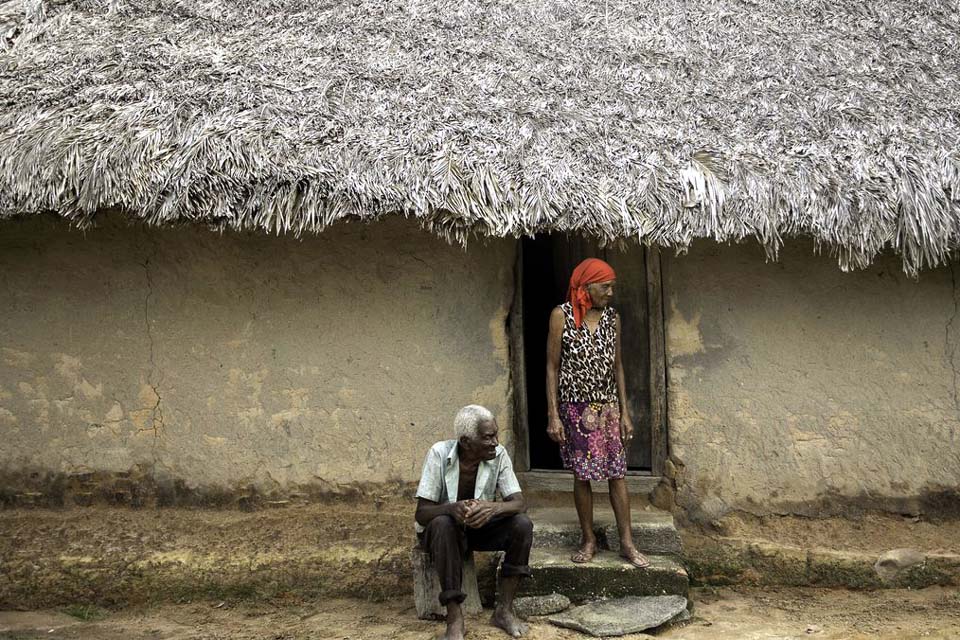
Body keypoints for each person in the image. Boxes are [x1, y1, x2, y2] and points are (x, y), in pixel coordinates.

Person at [545, 257, 650, 568]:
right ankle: (588, 538)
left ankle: (627, 543)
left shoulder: (612, 318)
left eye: (613, 287)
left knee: (617, 474)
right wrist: (553, 413)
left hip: (608, 408)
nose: (610, 292)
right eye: (606, 286)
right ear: (587, 286)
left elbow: (618, 366)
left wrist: (625, 411)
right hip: (575, 408)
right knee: (582, 475)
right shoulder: (560, 316)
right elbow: (551, 367)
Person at [415, 405, 533, 639]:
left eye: (496, 434)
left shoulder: (498, 455)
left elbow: (519, 503)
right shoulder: (439, 454)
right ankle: (455, 618)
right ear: (466, 442)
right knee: (442, 524)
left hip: (479, 530)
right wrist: (451, 509)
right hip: (443, 534)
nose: (495, 442)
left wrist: (494, 507)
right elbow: (422, 513)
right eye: (488, 437)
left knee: (522, 524)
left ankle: (504, 610)